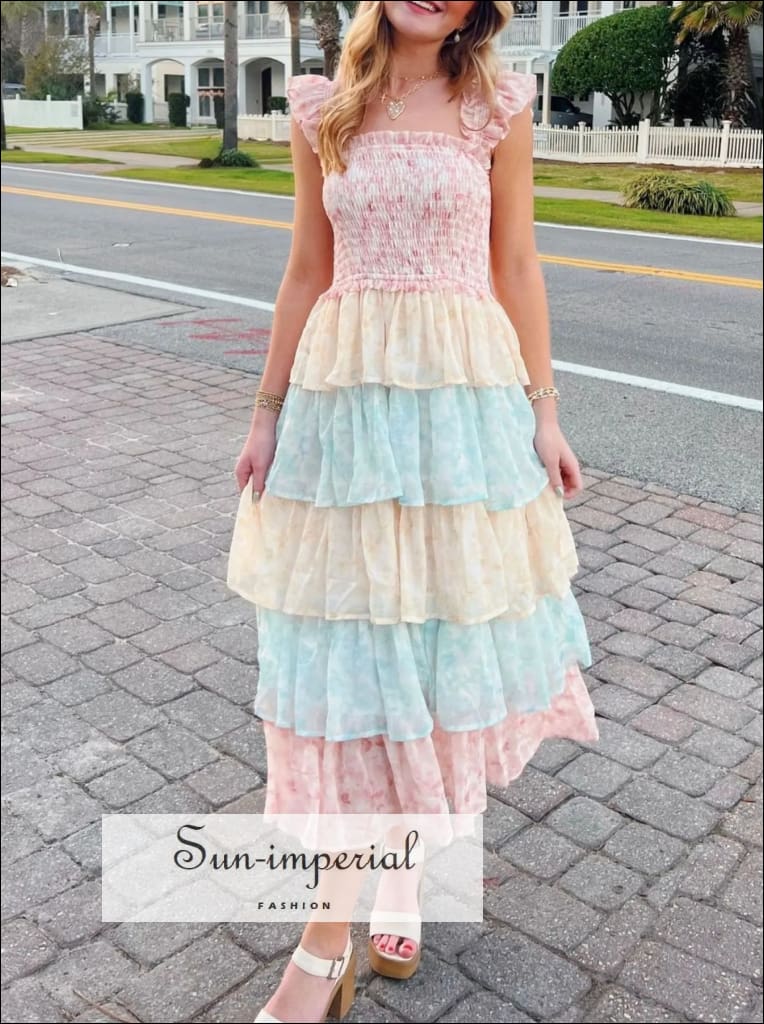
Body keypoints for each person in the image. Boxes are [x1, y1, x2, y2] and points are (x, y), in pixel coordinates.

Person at [227, 1, 599, 1020]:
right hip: (344, 410)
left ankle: (392, 884)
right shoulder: (324, 107)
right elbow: (306, 269)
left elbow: (514, 264)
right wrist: (265, 413)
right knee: (354, 660)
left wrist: (545, 413)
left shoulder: (496, 105)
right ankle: (324, 941)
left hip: (459, 414)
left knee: (429, 651)